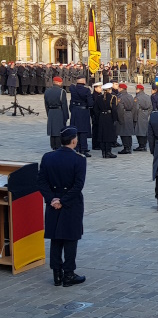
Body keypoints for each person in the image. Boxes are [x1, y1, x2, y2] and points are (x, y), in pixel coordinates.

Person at [37, 126, 86, 287]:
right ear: (73, 140)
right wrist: (63, 201)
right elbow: (78, 186)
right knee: (70, 238)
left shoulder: (48, 157)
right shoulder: (79, 159)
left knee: (56, 238)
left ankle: (56, 274)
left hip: (53, 204)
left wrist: (52, 199)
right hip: (71, 204)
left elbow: (42, 182)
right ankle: (69, 274)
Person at [69, 76, 93, 157]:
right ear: (83, 81)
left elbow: (71, 100)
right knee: (83, 131)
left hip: (75, 111)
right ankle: (83, 148)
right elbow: (90, 103)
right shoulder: (86, 90)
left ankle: (76, 147)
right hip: (83, 111)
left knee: (76, 131)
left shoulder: (72, 89)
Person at [44, 76, 69, 150]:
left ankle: (53, 145)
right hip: (59, 111)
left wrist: (48, 113)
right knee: (58, 130)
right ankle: (58, 146)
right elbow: (64, 105)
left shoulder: (47, 91)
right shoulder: (62, 91)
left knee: (52, 130)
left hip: (51, 111)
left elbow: (46, 105)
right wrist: (66, 116)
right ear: (58, 82)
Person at [94, 83, 118, 158]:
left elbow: (96, 109)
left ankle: (103, 152)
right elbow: (114, 109)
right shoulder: (112, 97)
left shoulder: (99, 97)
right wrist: (115, 119)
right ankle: (108, 151)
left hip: (101, 116)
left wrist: (99, 116)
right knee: (109, 134)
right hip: (109, 117)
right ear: (110, 89)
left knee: (102, 134)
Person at [116, 83, 135, 154]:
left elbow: (120, 109)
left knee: (123, 133)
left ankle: (126, 148)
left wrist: (119, 118)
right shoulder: (130, 96)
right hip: (129, 114)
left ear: (121, 88)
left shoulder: (120, 97)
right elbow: (134, 107)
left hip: (123, 115)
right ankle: (129, 146)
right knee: (128, 133)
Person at [133, 84, 152, 151]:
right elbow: (150, 107)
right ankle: (144, 145)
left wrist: (134, 117)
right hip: (146, 114)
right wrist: (147, 113)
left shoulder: (137, 98)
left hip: (139, 114)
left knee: (139, 130)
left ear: (138, 89)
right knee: (145, 130)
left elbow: (135, 108)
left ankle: (141, 145)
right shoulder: (147, 96)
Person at [90, 82, 103, 150]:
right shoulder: (94, 96)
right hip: (95, 115)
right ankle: (95, 144)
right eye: (99, 87)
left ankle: (99, 143)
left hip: (100, 115)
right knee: (95, 130)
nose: (101, 89)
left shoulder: (100, 95)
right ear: (95, 88)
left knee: (99, 130)